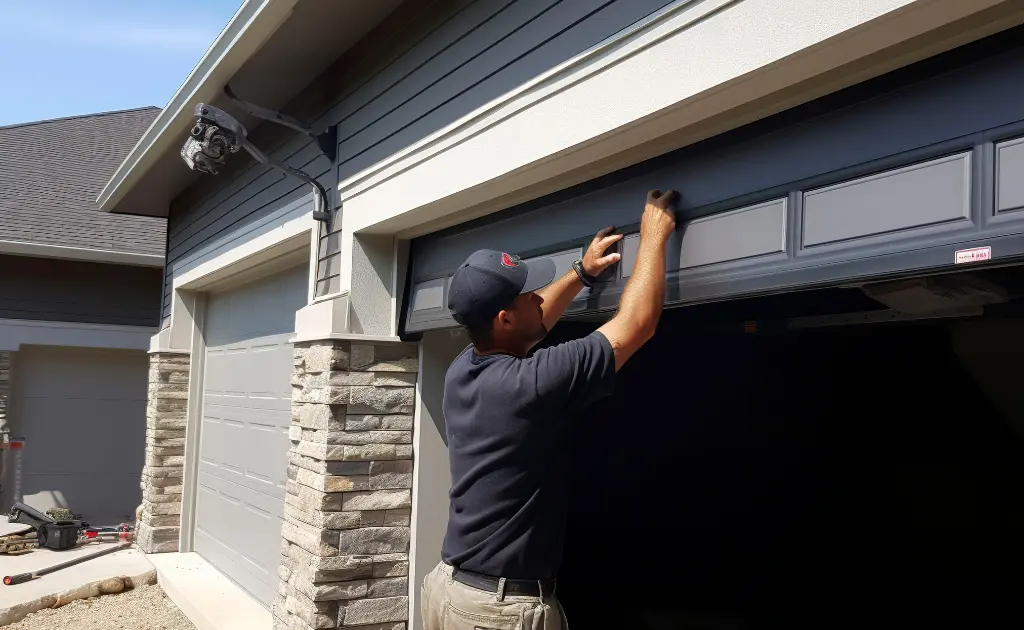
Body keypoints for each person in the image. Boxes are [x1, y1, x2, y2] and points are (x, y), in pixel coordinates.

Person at [421, 189, 679, 629]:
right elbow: (637, 324)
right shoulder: (529, 384)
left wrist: (581, 272)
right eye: (526, 295)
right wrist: (654, 234)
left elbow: (535, 323)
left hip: (449, 590)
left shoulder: (464, 368)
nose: (538, 297)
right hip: (496, 613)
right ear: (503, 319)